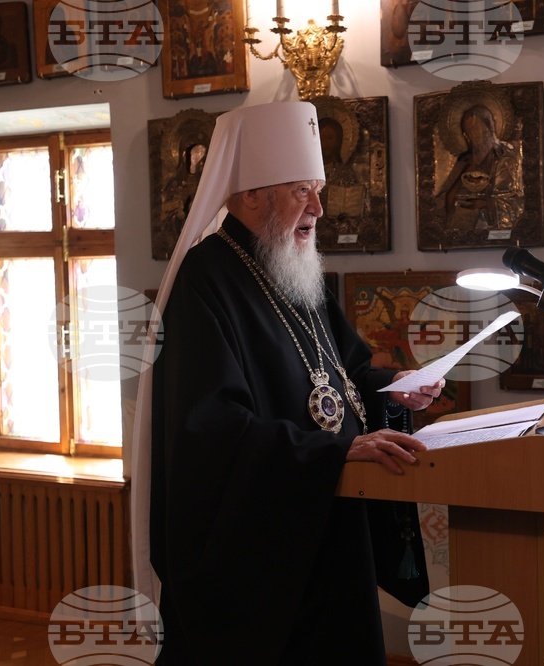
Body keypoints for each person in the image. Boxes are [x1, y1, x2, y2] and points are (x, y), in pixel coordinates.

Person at [131, 101, 443, 664]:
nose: (319, 209)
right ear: (252, 194)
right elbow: (211, 430)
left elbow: (343, 373)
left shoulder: (292, 265)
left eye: (318, 190)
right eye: (303, 191)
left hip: (328, 523)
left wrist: (393, 387)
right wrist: (333, 451)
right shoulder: (205, 282)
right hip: (264, 559)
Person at [437, 103, 523, 232]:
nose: (473, 135)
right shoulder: (463, 162)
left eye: (477, 128)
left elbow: (516, 201)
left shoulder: (505, 159)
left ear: (490, 128)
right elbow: (444, 197)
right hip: (461, 230)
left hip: (494, 232)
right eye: (468, 130)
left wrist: (485, 204)